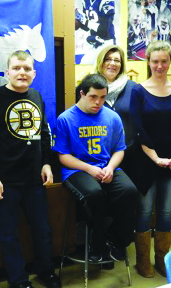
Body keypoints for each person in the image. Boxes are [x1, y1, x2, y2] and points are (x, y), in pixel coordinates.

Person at [0, 50, 62, 288]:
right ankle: (19, 280)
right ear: (7, 71)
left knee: (42, 229)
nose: (22, 73)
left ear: (34, 74)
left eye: (27, 69)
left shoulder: (36, 96)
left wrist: (47, 163)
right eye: (16, 68)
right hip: (5, 180)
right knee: (9, 233)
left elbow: (44, 133)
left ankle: (45, 270)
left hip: (33, 179)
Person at [54, 73, 138, 263]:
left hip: (106, 167)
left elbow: (119, 150)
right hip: (77, 170)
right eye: (93, 97)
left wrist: (110, 167)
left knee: (130, 192)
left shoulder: (112, 117)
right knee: (94, 194)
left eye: (102, 97)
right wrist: (90, 169)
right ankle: (96, 242)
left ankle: (115, 239)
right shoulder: (66, 119)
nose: (98, 102)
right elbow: (63, 156)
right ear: (82, 94)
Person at [130, 41, 171, 278]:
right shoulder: (138, 90)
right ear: (148, 62)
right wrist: (155, 157)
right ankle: (143, 262)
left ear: (170, 61)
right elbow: (137, 127)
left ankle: (162, 260)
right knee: (144, 212)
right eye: (155, 61)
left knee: (165, 213)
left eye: (164, 61)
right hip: (145, 161)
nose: (159, 65)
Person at [76, 0, 116, 65]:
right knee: (84, 63)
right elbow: (86, 27)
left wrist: (83, 20)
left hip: (107, 42)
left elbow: (103, 29)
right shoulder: (86, 0)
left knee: (103, 68)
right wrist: (77, 20)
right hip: (96, 42)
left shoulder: (107, 0)